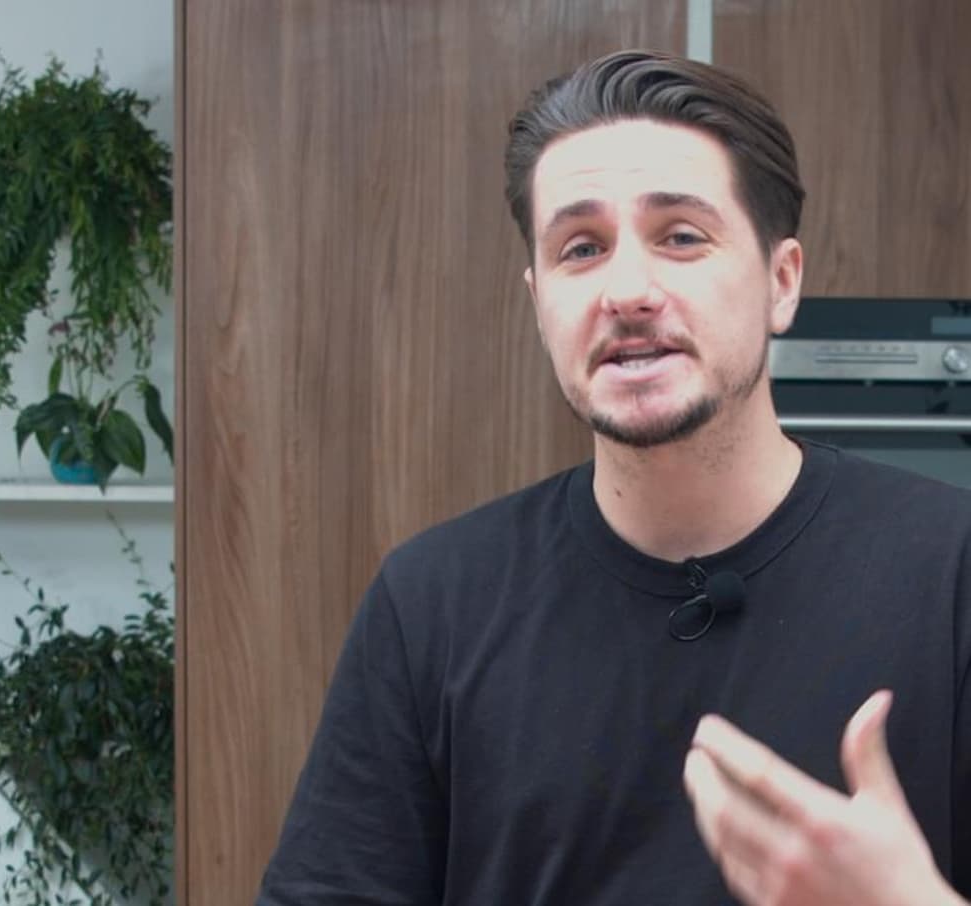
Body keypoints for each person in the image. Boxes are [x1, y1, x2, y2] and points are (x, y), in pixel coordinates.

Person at [256, 48, 971, 905]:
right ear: (538, 303)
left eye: (681, 236)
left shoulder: (952, 572)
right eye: (582, 248)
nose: (627, 290)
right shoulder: (432, 604)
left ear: (781, 282)